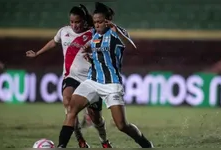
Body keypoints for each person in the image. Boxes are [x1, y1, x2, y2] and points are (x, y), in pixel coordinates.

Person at [57, 2, 154, 148]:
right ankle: (61, 146)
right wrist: (90, 56)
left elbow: (131, 46)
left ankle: (146, 144)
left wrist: (117, 31)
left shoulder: (116, 32)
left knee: (121, 125)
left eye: (100, 22)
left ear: (108, 21)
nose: (97, 25)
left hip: (111, 84)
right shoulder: (95, 35)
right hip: (92, 81)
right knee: (71, 110)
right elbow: (98, 51)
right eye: (95, 22)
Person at [25, 4, 112, 148]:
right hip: (71, 77)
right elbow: (54, 42)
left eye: (77, 22)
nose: (74, 25)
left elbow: (104, 51)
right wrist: (37, 54)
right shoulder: (63, 32)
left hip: (91, 79)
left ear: (84, 21)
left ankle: (104, 141)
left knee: (95, 117)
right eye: (72, 22)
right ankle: (80, 140)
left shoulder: (94, 34)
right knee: (68, 103)